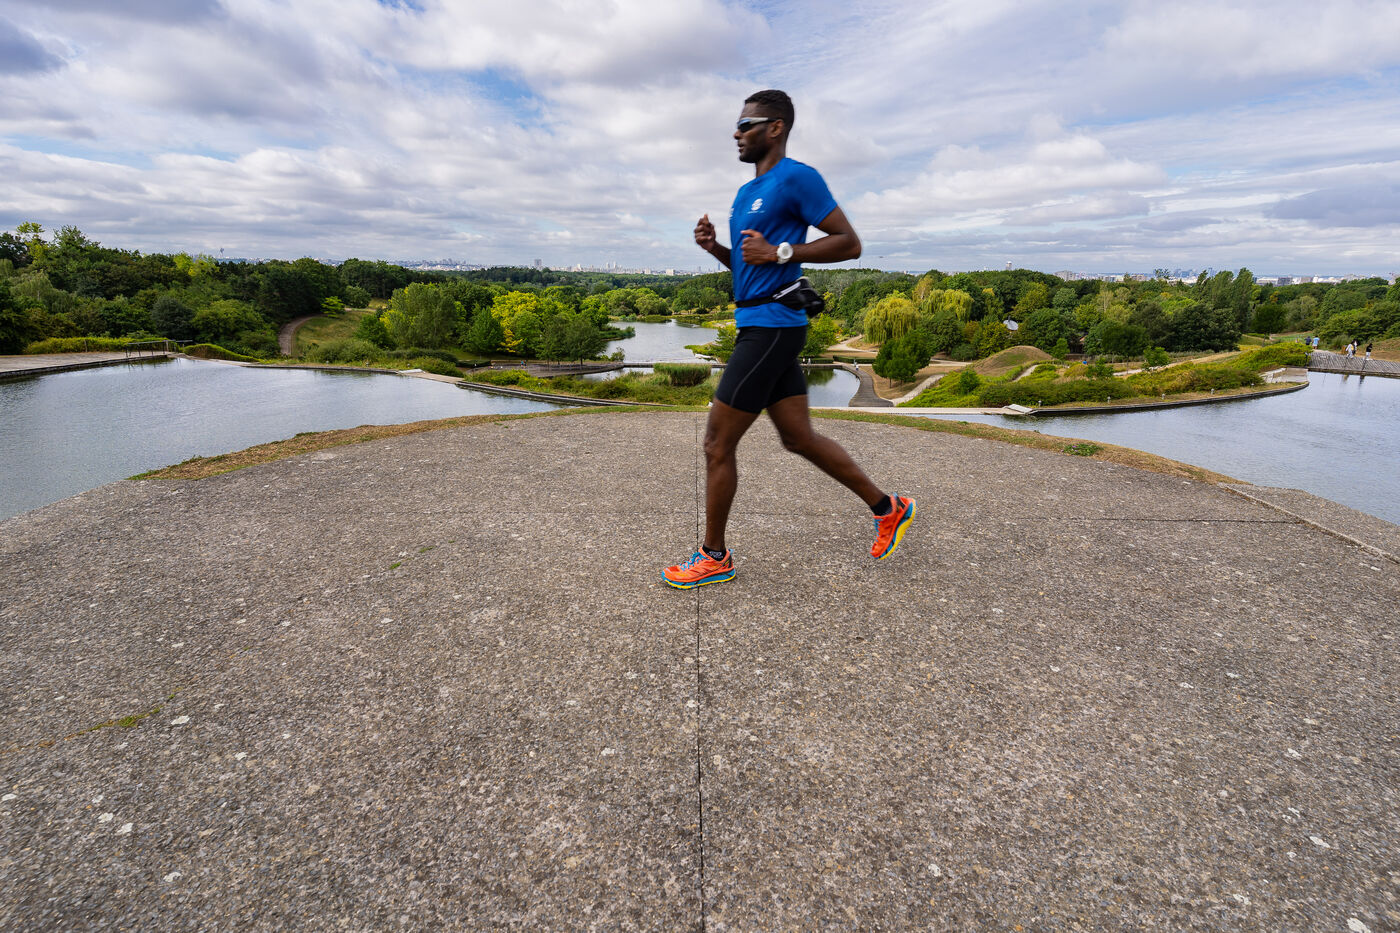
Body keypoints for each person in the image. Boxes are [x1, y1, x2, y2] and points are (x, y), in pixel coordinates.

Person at [662, 89, 914, 589]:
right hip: (759, 322)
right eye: (737, 125)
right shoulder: (744, 193)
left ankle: (714, 556)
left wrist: (781, 252)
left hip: (772, 327)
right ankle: (889, 508)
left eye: (746, 124)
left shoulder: (797, 178)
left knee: (716, 444)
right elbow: (748, 266)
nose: (736, 133)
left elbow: (849, 243)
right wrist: (717, 249)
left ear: (775, 127)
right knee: (799, 438)